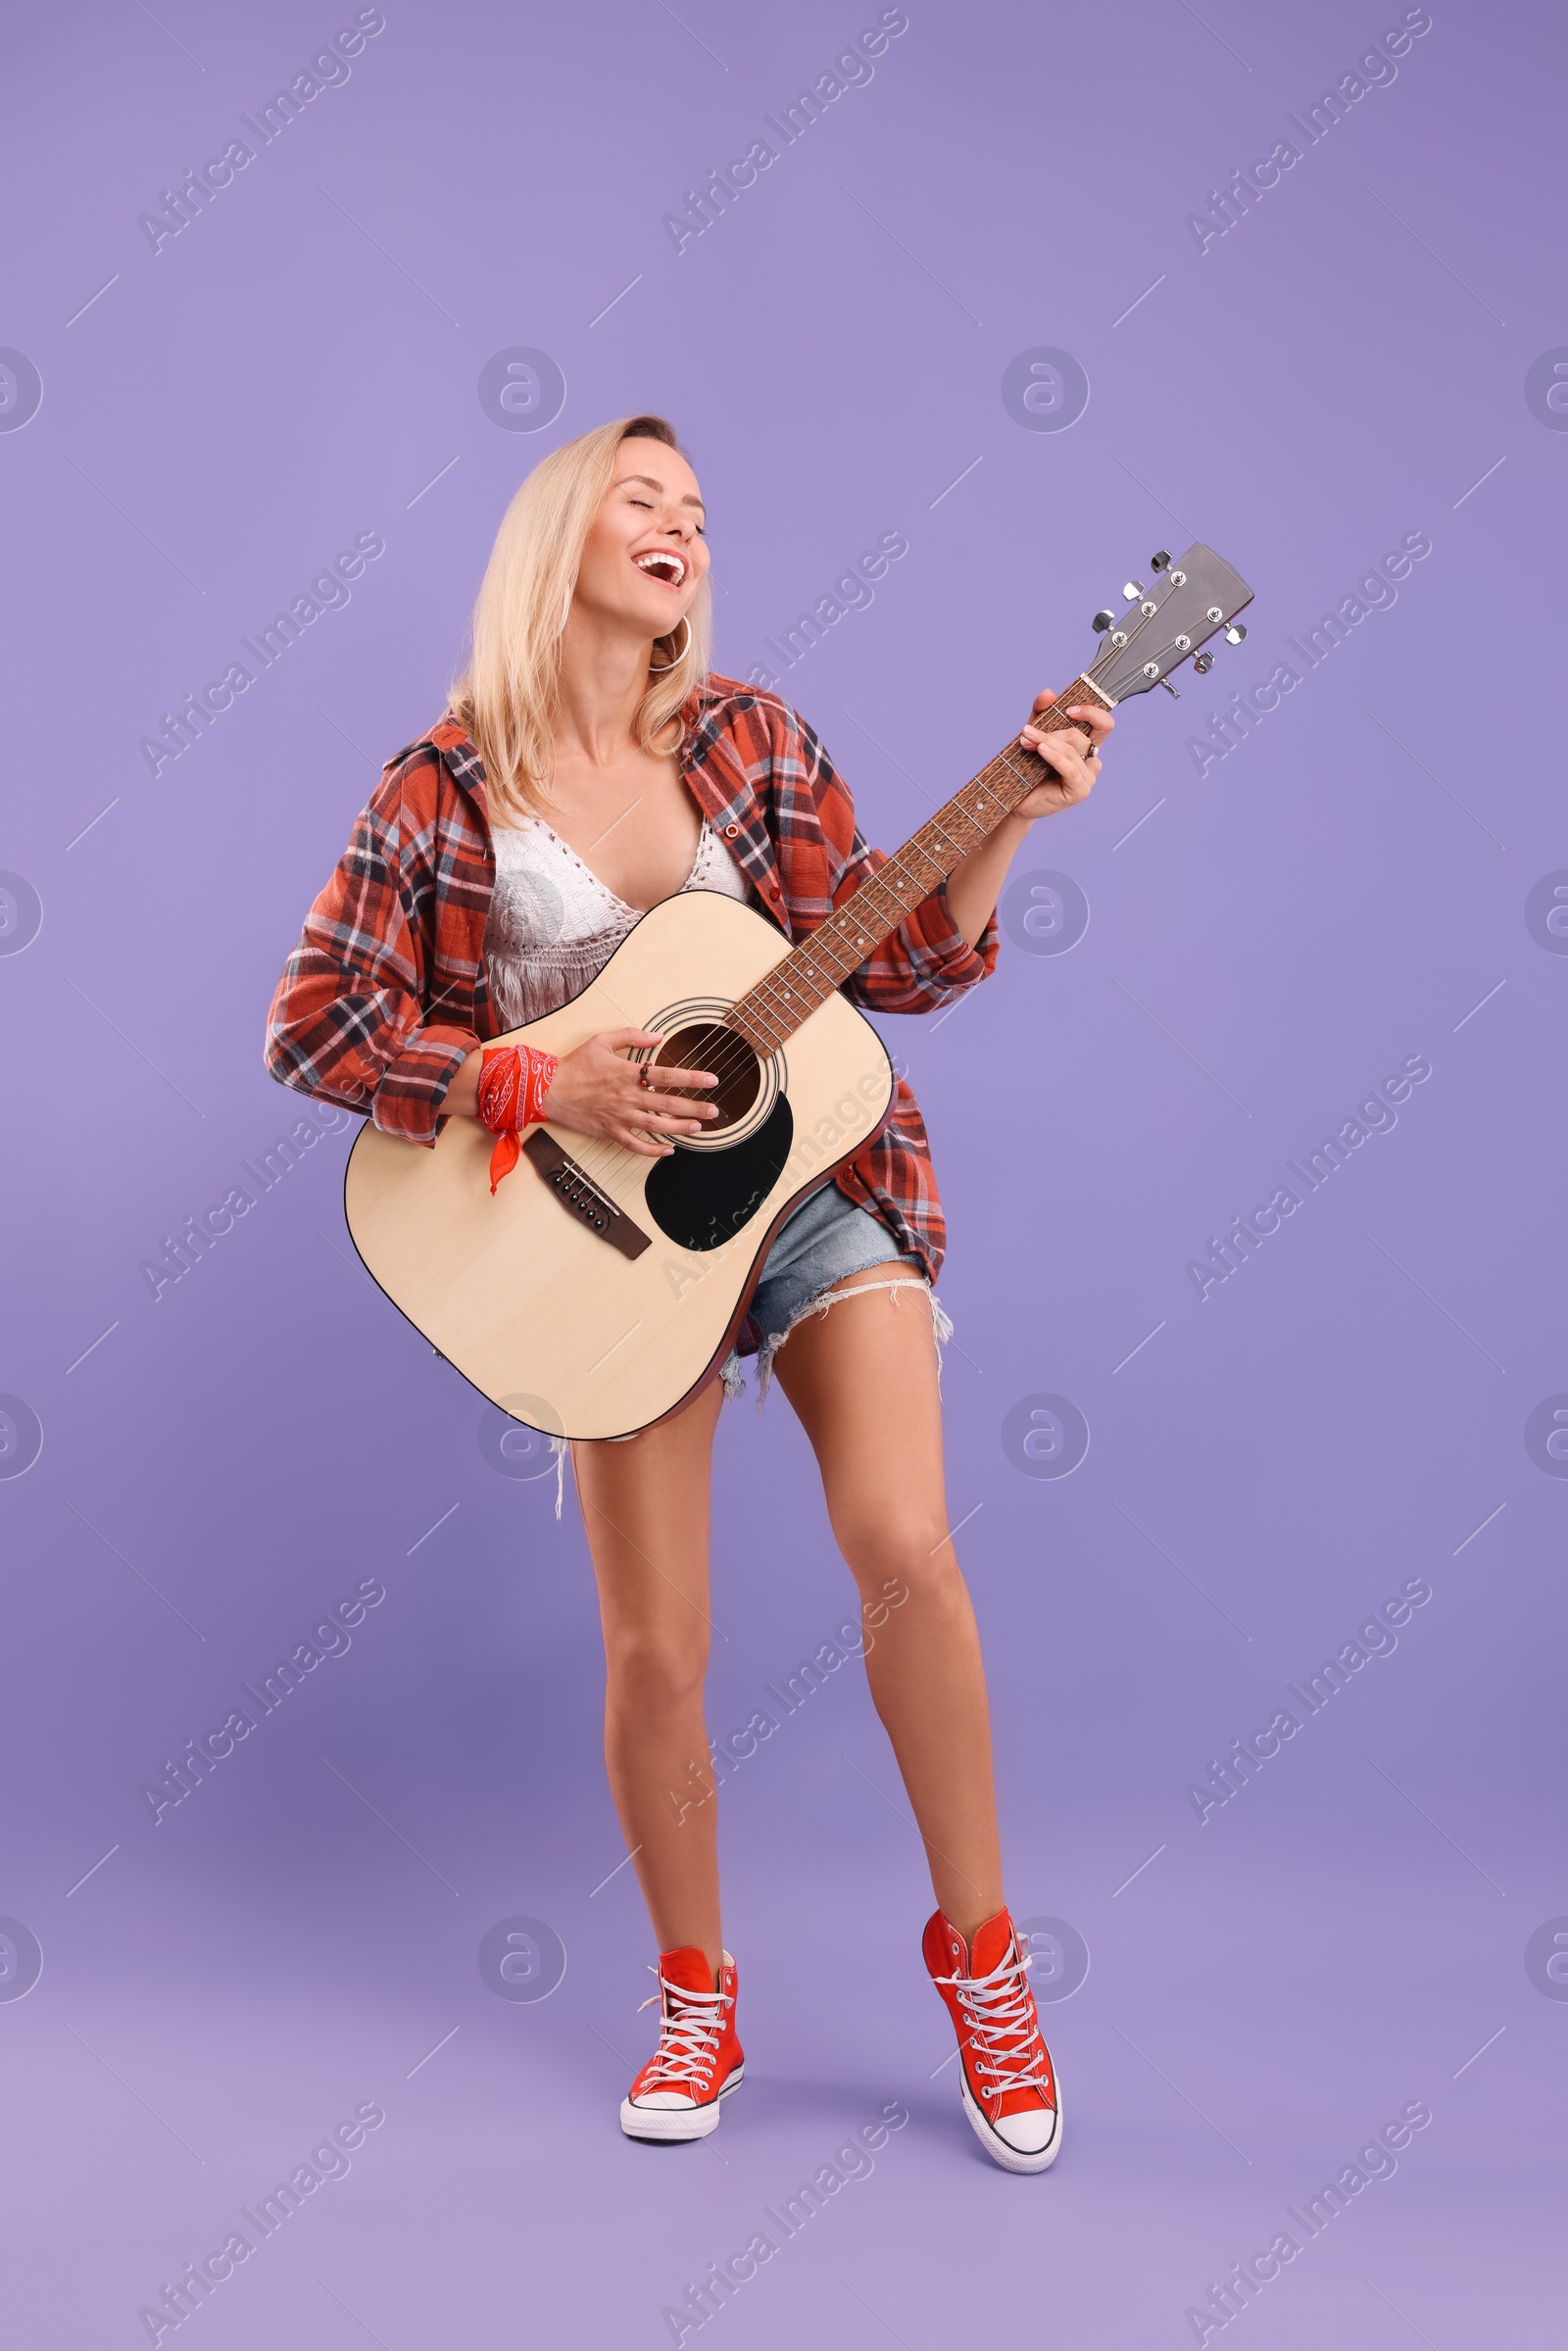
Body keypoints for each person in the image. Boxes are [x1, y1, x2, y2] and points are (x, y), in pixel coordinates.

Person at [265, 413, 1109, 2173]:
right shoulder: (441, 787)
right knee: (659, 1644)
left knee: (903, 1540)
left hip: (804, 1200)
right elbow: (318, 1028)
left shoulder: (755, 742)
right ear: (559, 536)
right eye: (643, 500)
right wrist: (534, 1084)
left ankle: (982, 1962)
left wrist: (1015, 812)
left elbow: (910, 966)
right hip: (606, 1253)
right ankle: (698, 1989)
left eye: (700, 512)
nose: (682, 528)